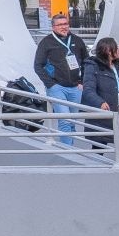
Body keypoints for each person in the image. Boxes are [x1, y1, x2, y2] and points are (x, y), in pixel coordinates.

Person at [34, 11, 90, 145]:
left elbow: (87, 62)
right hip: (57, 88)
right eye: (60, 25)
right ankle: (68, 152)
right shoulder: (46, 42)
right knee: (64, 120)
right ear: (53, 27)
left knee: (72, 121)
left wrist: (82, 82)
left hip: (75, 87)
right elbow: (38, 65)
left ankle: (70, 147)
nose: (63, 27)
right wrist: (50, 84)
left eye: (65, 24)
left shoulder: (77, 40)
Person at [81, 38, 119, 165]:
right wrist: (100, 102)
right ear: (108, 50)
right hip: (103, 117)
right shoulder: (93, 67)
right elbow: (88, 90)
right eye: (116, 47)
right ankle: (95, 176)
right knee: (98, 150)